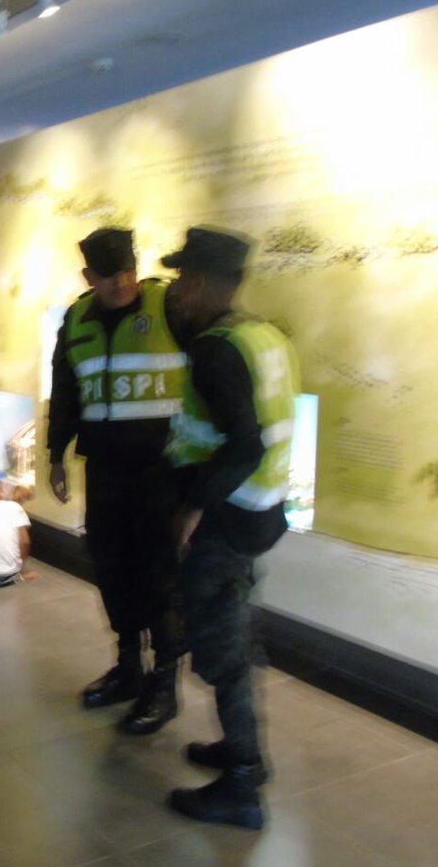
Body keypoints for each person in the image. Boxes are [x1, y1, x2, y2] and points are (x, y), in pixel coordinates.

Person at [162, 227, 298, 830]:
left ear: (198, 280)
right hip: (258, 514)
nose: (178, 291)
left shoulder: (217, 348)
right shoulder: (263, 335)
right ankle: (245, 755)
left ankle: (241, 781)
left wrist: (192, 508)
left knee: (223, 648)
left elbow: (244, 444)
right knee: (240, 635)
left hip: (223, 520)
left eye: (181, 278)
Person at [47, 227, 189, 736]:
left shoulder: (168, 306)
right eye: (109, 276)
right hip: (106, 466)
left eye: (128, 271)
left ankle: (165, 682)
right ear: (89, 276)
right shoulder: (78, 319)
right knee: (110, 566)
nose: (122, 283)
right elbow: (65, 388)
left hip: (161, 468)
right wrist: (56, 454)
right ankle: (129, 665)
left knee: (159, 574)